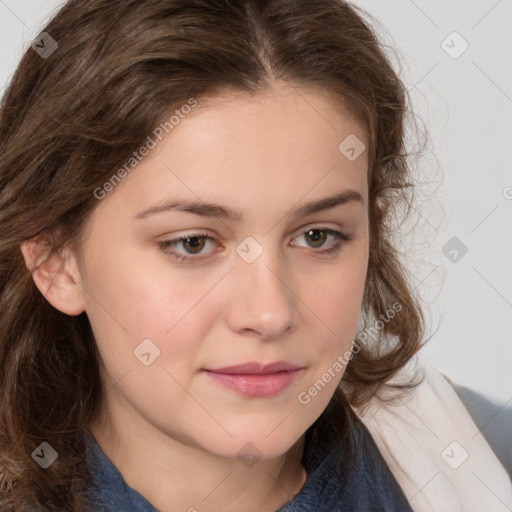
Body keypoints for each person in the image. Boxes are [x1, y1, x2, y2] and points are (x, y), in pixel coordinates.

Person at [0, 0, 510, 511]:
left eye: (317, 236)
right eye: (192, 243)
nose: (270, 313)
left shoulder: (485, 455)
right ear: (55, 258)